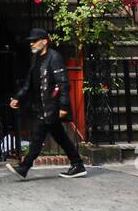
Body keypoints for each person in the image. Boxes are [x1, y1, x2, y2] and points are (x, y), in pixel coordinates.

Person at [7, 28, 88, 180]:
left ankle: (24, 168)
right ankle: (78, 164)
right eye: (31, 41)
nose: (31, 44)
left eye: (34, 41)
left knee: (38, 137)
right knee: (60, 137)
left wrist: (63, 107)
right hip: (42, 106)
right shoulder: (36, 59)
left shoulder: (54, 57)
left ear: (44, 41)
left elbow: (63, 83)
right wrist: (18, 97)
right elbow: (28, 83)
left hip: (52, 106)